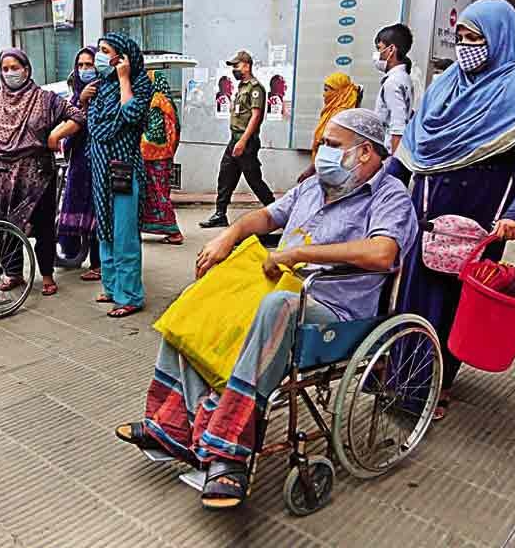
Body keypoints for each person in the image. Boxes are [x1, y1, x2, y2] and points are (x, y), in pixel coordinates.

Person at [115, 108, 417, 509]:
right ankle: (169, 424)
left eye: (331, 145)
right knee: (199, 303)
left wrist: (298, 254)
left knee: (278, 305)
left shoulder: (389, 195)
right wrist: (229, 235)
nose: (321, 152)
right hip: (283, 290)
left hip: (335, 310)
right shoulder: (314, 186)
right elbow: (267, 216)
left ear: (364, 153)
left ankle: (228, 452)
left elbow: (383, 252)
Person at [387, 0, 515, 420]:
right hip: (424, 210)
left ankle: (434, 386)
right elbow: (412, 143)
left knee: (455, 303)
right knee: (412, 296)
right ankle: (396, 379)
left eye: (475, 38)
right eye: (461, 38)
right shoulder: (444, 85)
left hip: (480, 218)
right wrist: (382, 186)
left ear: (498, 40)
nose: (465, 47)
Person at [0, 48, 84, 297]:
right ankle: (13, 274)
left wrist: (56, 134)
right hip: (3, 177)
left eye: (15, 68)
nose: (10, 73)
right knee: (5, 227)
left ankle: (46, 275)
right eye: (5, 69)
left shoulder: (45, 99)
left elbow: (77, 116)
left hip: (38, 175)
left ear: (27, 69)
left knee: (43, 227)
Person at [88, 32, 153, 317]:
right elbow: (93, 125)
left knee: (124, 233)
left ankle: (130, 296)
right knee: (105, 228)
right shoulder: (100, 88)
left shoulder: (140, 83)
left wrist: (124, 79)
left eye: (106, 51)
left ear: (123, 56)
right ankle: (112, 287)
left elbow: (131, 114)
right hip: (100, 168)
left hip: (124, 168)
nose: (100, 57)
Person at [201, 50, 275, 229]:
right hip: (234, 138)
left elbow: (256, 116)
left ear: (247, 66)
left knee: (254, 180)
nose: (234, 69)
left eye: (237, 65)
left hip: (246, 141)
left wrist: (243, 141)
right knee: (226, 175)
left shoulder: (255, 88)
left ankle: (278, 211)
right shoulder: (242, 87)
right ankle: (220, 214)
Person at [57, 46, 102, 281]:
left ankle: (99, 263)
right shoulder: (74, 96)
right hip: (79, 164)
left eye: (90, 64)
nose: (85, 70)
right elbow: (69, 132)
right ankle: (73, 253)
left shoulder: (106, 93)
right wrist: (81, 103)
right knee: (76, 208)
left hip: (101, 164)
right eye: (81, 65)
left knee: (99, 212)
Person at [140, 70, 184, 245]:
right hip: (162, 155)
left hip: (155, 156)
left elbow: (155, 134)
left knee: (158, 193)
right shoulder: (165, 101)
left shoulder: (157, 102)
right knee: (155, 192)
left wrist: (137, 143)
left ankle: (173, 231)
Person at [298, 72, 359, 183]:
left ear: (340, 92)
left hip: (333, 171)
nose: (324, 95)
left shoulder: (340, 117)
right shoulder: (334, 111)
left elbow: (328, 147)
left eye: (327, 90)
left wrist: (310, 170)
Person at [373, 23, 415, 153]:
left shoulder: (393, 82)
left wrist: (394, 162)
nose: (377, 54)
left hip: (388, 151)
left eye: (379, 48)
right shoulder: (404, 77)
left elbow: (398, 125)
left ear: (391, 50)